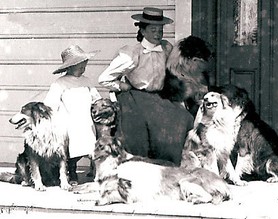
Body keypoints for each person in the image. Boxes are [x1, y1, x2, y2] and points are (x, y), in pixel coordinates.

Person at [98, 7, 194, 165]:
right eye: (153, 30)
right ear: (142, 31)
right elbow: (105, 78)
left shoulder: (166, 48)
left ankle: (169, 164)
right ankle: (142, 163)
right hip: (137, 97)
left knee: (183, 118)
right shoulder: (132, 53)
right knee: (141, 126)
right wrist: (123, 86)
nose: (158, 34)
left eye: (160, 30)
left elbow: (176, 69)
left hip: (160, 96)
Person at [44, 45, 101, 185]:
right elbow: (51, 104)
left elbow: (96, 98)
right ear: (69, 67)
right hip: (70, 120)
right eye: (80, 67)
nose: (83, 70)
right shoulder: (60, 83)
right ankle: (72, 171)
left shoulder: (86, 81)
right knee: (72, 149)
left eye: (84, 66)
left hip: (86, 119)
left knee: (91, 147)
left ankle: (96, 172)